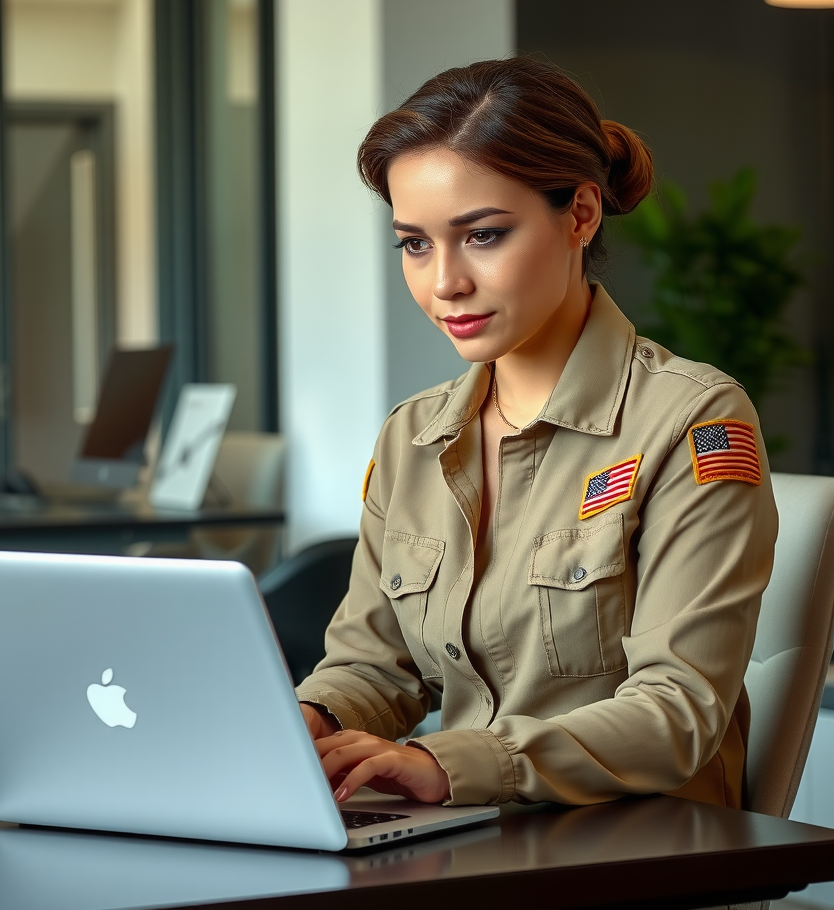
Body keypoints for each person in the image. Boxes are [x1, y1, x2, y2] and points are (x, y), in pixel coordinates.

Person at [295, 56, 778, 810]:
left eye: (482, 235)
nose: (444, 281)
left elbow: (678, 711)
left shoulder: (693, 419)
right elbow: (375, 667)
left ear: (580, 215)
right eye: (414, 243)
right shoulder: (412, 436)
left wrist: (448, 763)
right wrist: (305, 722)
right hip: (465, 836)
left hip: (634, 855)